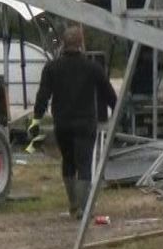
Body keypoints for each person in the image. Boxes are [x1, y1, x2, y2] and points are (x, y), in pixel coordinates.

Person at [29, 26, 117, 217]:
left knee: (68, 162)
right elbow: (109, 94)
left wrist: (36, 119)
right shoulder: (92, 67)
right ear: (81, 44)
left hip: (63, 123)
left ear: (63, 43)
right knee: (84, 163)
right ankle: (84, 210)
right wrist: (118, 113)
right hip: (85, 123)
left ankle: (73, 204)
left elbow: (42, 95)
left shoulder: (52, 68)